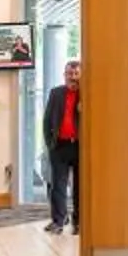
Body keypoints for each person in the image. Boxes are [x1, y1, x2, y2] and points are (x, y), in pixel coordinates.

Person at [42, 58, 82, 234]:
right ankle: (58, 220)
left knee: (80, 187)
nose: (72, 77)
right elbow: (47, 120)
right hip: (59, 146)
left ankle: (78, 222)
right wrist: (50, 142)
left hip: (80, 147)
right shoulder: (56, 93)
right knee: (58, 186)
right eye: (69, 73)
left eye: (76, 74)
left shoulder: (87, 94)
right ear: (64, 75)